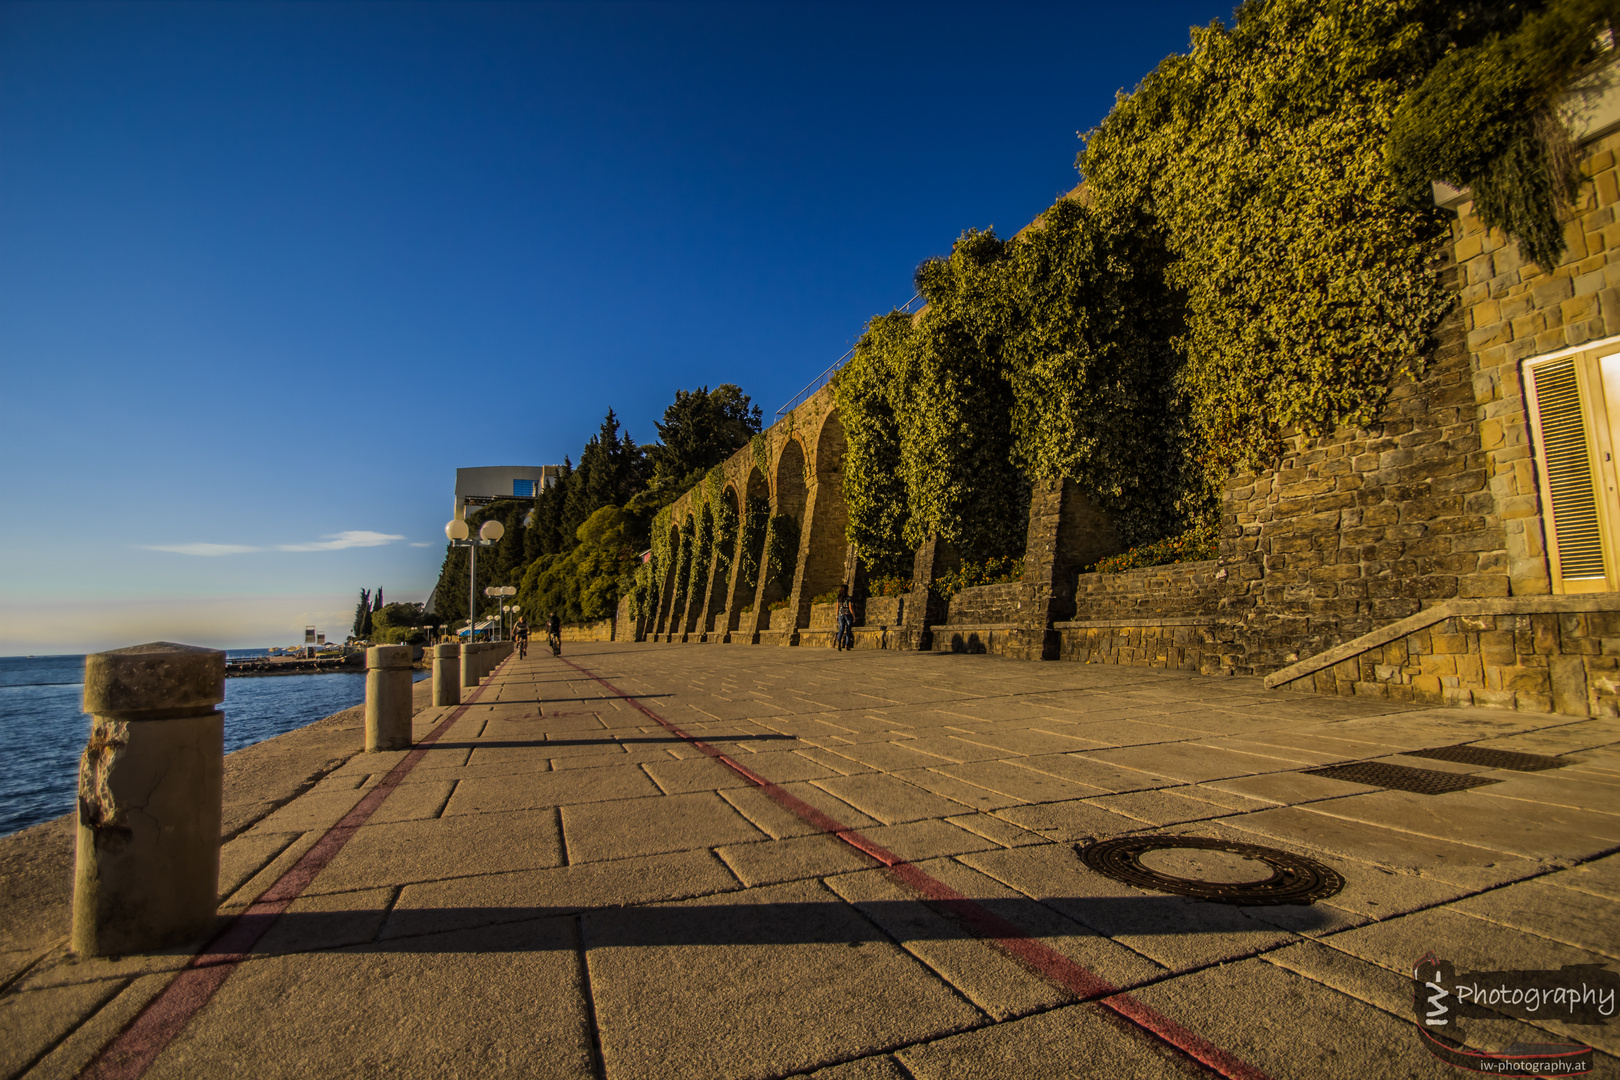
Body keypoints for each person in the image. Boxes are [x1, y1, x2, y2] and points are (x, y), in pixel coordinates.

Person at [835, 583, 855, 652]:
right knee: (848, 630)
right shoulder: (849, 598)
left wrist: (836, 615)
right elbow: (850, 608)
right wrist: (854, 616)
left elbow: (837, 608)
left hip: (841, 614)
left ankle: (839, 642)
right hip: (848, 614)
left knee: (841, 629)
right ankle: (847, 644)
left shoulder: (839, 598)